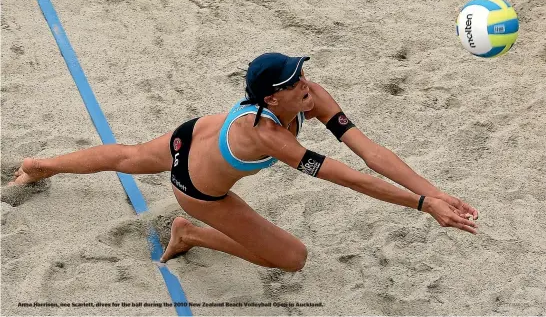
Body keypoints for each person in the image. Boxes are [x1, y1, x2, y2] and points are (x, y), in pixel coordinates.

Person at [10, 53, 479, 272]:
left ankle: (41, 164)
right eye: (297, 82)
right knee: (292, 259)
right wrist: (421, 206)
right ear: (274, 98)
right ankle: (190, 231)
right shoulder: (271, 136)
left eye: (305, 75)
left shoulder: (309, 100)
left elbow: (369, 151)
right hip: (196, 189)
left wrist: (433, 193)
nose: (308, 85)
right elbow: (351, 178)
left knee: (130, 155)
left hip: (193, 133)